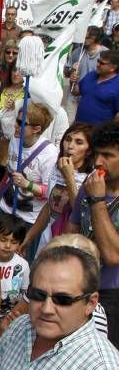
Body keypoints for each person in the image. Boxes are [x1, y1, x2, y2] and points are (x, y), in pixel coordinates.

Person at [68, 121, 119, 346]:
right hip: (82, 287)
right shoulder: (89, 187)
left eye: (108, 155)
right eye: (97, 154)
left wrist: (97, 200)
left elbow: (113, 256)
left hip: (112, 296)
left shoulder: (93, 192)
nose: (99, 162)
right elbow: (72, 235)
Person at [20, 122, 93, 254]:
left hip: (70, 243)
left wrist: (69, 177)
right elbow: (49, 206)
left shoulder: (90, 177)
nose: (70, 146)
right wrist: (29, 236)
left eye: (79, 142)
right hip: (49, 236)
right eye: (68, 139)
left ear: (89, 151)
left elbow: (80, 213)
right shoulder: (56, 168)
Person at [0, 101, 57, 233]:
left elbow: (50, 192)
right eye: (16, 120)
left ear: (36, 129)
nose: (15, 125)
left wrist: (27, 184)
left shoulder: (49, 154)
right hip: (4, 207)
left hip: (28, 218)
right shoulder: (15, 140)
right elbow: (9, 171)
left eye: (21, 123)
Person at [73, 49, 119, 124]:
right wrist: (73, 81)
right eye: (98, 61)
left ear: (113, 68)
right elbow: (75, 92)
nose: (97, 64)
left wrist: (110, 130)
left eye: (102, 63)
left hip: (99, 132)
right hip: (79, 126)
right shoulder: (91, 75)